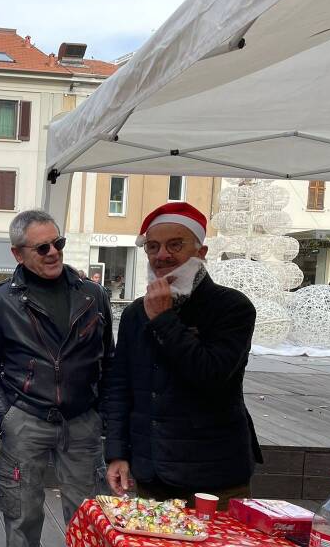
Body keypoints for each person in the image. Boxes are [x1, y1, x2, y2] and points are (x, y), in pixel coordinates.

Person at [0, 209, 113, 547]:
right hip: (27, 419)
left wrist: (102, 418)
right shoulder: (0, 301)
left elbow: (106, 362)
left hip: (81, 421)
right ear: (18, 253)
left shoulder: (93, 295)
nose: (54, 252)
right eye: (42, 247)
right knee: (23, 516)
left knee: (90, 519)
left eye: (58, 243)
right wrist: (6, 415)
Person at [103, 201, 262, 510]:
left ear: (200, 252)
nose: (162, 255)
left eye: (175, 245)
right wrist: (117, 453)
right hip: (152, 472)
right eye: (153, 247)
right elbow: (120, 386)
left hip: (214, 476)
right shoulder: (136, 313)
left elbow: (210, 374)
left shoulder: (232, 307)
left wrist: (164, 320)